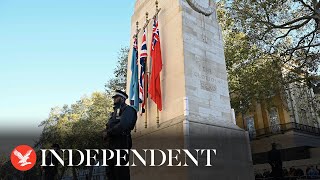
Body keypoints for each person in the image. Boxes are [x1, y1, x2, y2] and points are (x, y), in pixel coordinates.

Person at [104, 90, 137, 180]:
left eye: (116, 98)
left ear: (122, 99)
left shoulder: (129, 110)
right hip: (111, 143)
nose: (114, 99)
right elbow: (110, 125)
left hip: (121, 141)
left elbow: (124, 125)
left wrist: (109, 132)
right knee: (110, 170)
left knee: (120, 171)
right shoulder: (114, 113)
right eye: (114, 98)